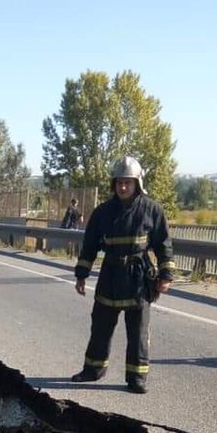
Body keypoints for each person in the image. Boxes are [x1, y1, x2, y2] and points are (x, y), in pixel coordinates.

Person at [70, 156, 175, 394]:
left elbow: (163, 245)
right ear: (114, 184)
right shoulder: (102, 213)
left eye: (128, 182)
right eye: (119, 182)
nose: (123, 187)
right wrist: (81, 274)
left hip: (138, 279)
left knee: (137, 332)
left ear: (137, 183)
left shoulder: (152, 210)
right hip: (109, 276)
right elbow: (89, 245)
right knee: (100, 327)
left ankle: (136, 378)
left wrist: (166, 275)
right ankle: (93, 370)